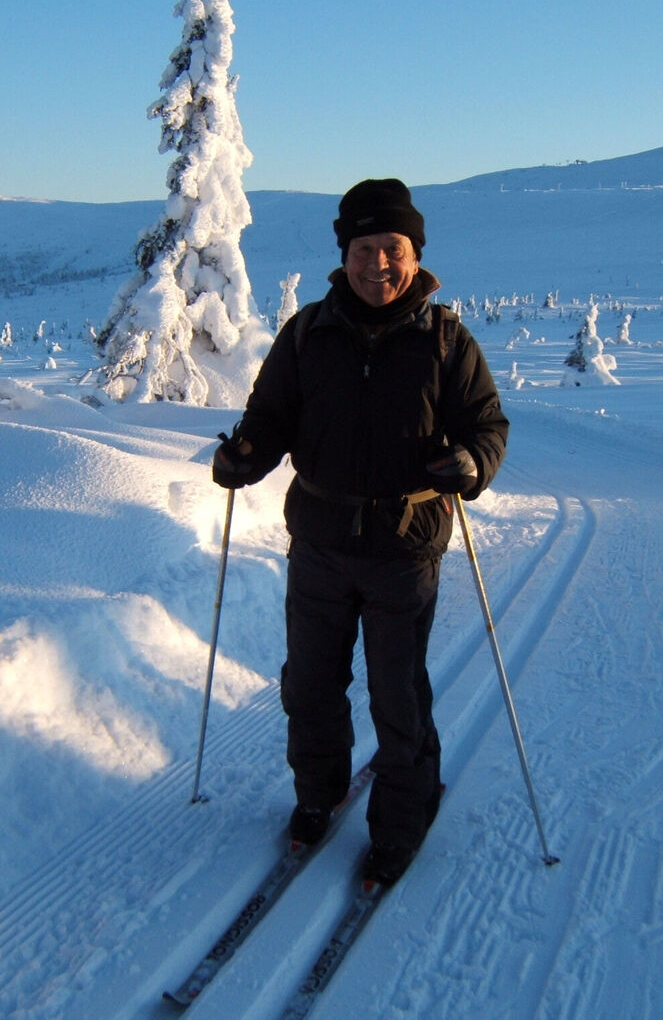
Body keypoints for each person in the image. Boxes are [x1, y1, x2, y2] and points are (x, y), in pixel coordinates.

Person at [211, 178, 509, 886]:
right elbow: (270, 417)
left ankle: (403, 821)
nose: (379, 264)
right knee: (309, 686)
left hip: (404, 549)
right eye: (365, 248)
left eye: (393, 248)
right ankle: (317, 796)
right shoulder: (308, 332)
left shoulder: (445, 340)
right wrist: (243, 457)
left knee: (396, 694)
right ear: (344, 254)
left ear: (415, 254)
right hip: (318, 540)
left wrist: (470, 462)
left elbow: (487, 426)